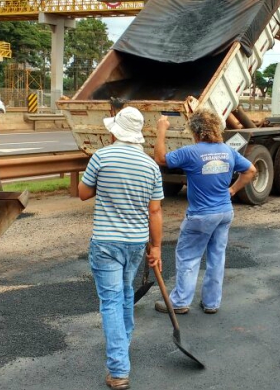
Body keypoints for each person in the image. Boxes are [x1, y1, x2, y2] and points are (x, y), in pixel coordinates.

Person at [78, 106, 164, 390]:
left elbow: (83, 193)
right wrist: (158, 248)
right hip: (136, 242)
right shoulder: (151, 165)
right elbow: (155, 212)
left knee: (112, 301)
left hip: (106, 242)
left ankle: (118, 370)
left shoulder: (101, 157)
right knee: (125, 293)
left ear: (115, 131)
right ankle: (123, 344)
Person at [153, 109, 257, 315]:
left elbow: (160, 158)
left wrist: (161, 130)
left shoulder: (191, 152)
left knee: (188, 257)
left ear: (196, 130)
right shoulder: (227, 151)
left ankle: (180, 301)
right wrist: (233, 189)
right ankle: (211, 303)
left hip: (201, 215)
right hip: (224, 212)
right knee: (216, 257)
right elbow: (251, 170)